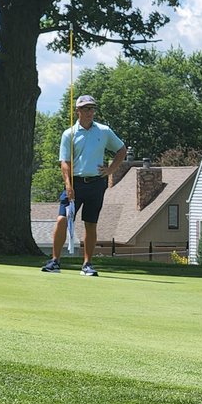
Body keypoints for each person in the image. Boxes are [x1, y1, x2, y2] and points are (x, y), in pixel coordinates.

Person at [42, 94, 127, 276]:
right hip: (75, 184)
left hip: (96, 183)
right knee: (62, 219)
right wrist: (68, 185)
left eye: (92, 109)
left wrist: (111, 169)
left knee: (91, 223)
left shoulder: (103, 131)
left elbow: (121, 149)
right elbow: (64, 162)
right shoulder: (69, 134)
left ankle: (87, 264)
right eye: (86, 109)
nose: (90, 112)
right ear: (78, 111)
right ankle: (55, 261)